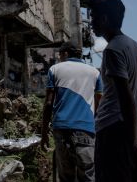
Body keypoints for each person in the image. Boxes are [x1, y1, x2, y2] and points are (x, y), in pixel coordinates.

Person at [87, 0, 137, 182]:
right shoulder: (135, 47)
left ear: (104, 19)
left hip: (114, 132)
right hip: (132, 129)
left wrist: (132, 142)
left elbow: (127, 99)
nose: (91, 22)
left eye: (94, 17)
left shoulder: (113, 50)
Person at [40, 42, 103, 182]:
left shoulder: (55, 69)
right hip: (86, 129)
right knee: (87, 176)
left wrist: (44, 133)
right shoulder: (95, 72)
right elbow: (100, 103)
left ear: (66, 53)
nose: (60, 57)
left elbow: (49, 103)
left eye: (60, 54)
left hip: (62, 128)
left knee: (65, 177)